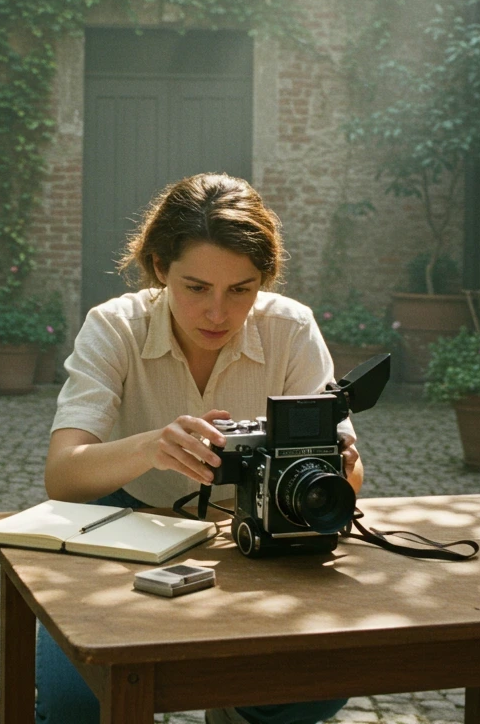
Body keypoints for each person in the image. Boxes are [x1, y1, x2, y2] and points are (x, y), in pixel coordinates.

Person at [38, 173, 362, 724]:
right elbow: (62, 477)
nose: (218, 313)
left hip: (255, 533)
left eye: (241, 289)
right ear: (160, 268)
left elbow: (350, 481)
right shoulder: (114, 326)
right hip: (124, 515)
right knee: (77, 699)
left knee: (314, 687)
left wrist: (335, 469)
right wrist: (151, 447)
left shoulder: (292, 329)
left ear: (265, 279)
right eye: (196, 287)